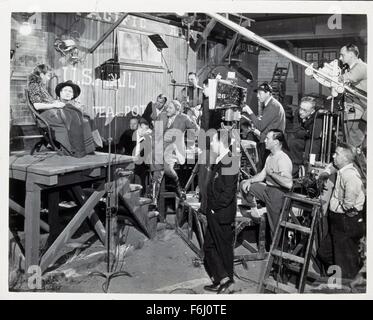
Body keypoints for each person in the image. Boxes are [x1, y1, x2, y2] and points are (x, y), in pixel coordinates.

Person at [317, 142, 365, 281]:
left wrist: (336, 206)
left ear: (345, 158)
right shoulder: (342, 168)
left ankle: (350, 281)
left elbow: (348, 205)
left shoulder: (350, 176)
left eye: (336, 153)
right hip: (338, 222)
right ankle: (351, 270)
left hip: (346, 221)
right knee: (324, 253)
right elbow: (332, 166)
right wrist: (325, 173)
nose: (333, 155)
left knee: (345, 266)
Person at [28, 64, 96, 157]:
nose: (48, 79)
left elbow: (47, 101)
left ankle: (82, 148)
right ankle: (75, 149)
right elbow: (37, 106)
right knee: (72, 115)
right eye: (47, 75)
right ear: (41, 75)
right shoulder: (34, 85)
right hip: (46, 115)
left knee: (75, 114)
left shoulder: (40, 86)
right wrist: (54, 105)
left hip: (51, 112)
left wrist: (56, 103)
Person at [203, 129, 239, 294]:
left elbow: (229, 192)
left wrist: (214, 207)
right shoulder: (221, 160)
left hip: (221, 213)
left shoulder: (230, 160)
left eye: (213, 141)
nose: (211, 144)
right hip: (214, 212)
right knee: (210, 247)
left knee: (223, 248)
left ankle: (227, 280)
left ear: (221, 142)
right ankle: (221, 278)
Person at [240, 129, 293, 235]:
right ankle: (254, 209)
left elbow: (288, 183)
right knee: (244, 184)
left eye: (268, 139)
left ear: (276, 142)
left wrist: (272, 174)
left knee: (275, 229)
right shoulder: (270, 156)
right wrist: (249, 181)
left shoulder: (282, 159)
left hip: (278, 194)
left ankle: (276, 250)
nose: (265, 141)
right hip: (267, 189)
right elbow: (262, 175)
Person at [242, 82, 286, 171]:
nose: (258, 96)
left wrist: (249, 111)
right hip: (270, 141)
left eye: (260, 93)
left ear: (268, 93)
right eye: (257, 93)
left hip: (270, 143)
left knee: (265, 170)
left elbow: (260, 126)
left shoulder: (273, 106)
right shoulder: (271, 105)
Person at [162, 100, 199, 198]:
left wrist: (194, 121)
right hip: (162, 147)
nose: (167, 109)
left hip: (174, 149)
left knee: (167, 169)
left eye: (170, 108)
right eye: (167, 107)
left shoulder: (184, 118)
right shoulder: (163, 116)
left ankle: (177, 186)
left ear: (177, 110)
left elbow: (196, 131)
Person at [339, 44, 367, 149]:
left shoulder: (361, 67)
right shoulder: (350, 68)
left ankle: (356, 164)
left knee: (354, 143)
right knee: (349, 141)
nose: (340, 58)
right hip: (351, 110)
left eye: (342, 55)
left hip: (359, 112)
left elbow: (345, 79)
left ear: (351, 54)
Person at [286, 96, 323, 176]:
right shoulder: (297, 112)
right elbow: (296, 130)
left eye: (304, 110)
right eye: (301, 108)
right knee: (292, 141)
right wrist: (306, 132)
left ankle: (308, 171)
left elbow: (315, 134)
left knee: (312, 143)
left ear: (312, 111)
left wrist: (304, 132)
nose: (301, 112)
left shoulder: (318, 116)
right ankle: (295, 168)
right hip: (304, 138)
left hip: (314, 141)